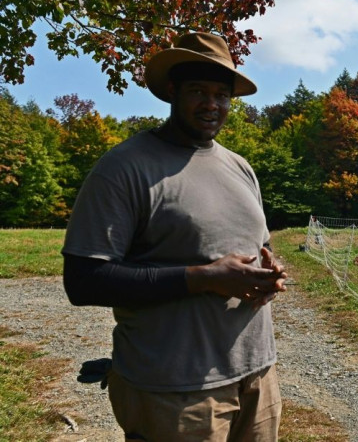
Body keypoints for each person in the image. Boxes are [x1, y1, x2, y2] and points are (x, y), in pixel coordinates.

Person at [62, 31, 287, 441]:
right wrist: (203, 277)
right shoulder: (125, 168)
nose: (212, 104)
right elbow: (82, 280)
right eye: (198, 91)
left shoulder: (240, 167)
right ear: (171, 91)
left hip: (257, 375)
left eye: (222, 94)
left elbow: (260, 246)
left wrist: (270, 269)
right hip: (174, 389)